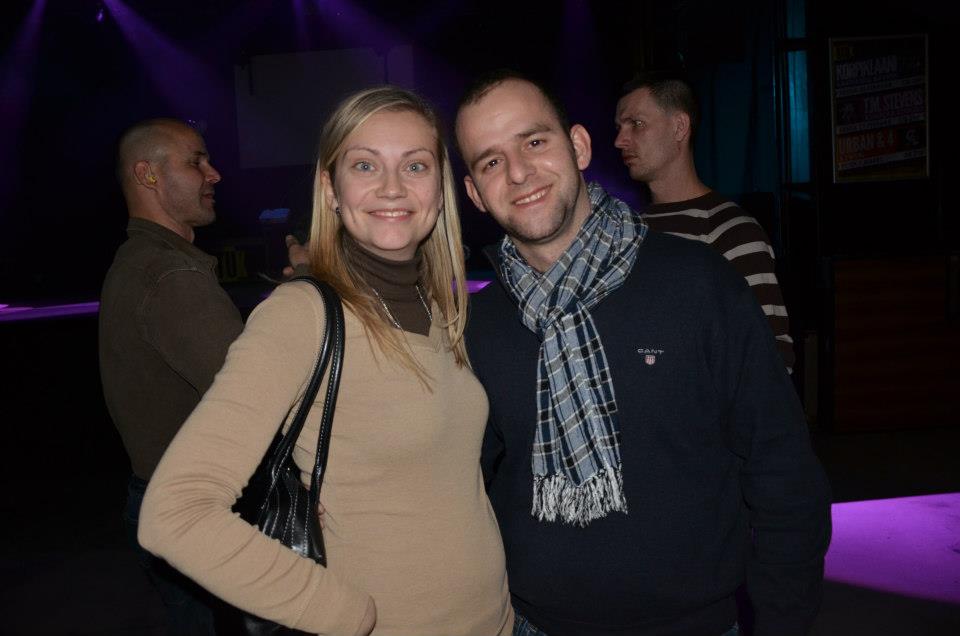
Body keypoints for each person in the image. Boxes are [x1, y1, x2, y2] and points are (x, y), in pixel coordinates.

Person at [455, 70, 831, 636]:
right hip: (531, 624)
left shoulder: (699, 284)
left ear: (579, 146)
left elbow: (785, 472)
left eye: (533, 141)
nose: (518, 172)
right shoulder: (477, 327)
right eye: (490, 161)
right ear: (474, 194)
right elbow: (453, 487)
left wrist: (782, 620)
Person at [138, 87, 514, 635]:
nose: (392, 186)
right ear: (331, 189)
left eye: (415, 165)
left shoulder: (442, 309)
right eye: (365, 165)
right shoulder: (301, 316)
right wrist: (340, 612)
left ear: (440, 189)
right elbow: (175, 513)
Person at [100, 117, 243, 635]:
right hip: (193, 512)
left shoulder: (140, 261)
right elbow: (262, 395)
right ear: (149, 175)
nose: (214, 173)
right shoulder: (170, 276)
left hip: (160, 501)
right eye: (196, 161)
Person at [615, 71, 796, 372]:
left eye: (637, 124)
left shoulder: (731, 229)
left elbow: (772, 359)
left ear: (679, 127)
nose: (620, 140)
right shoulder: (628, 231)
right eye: (619, 127)